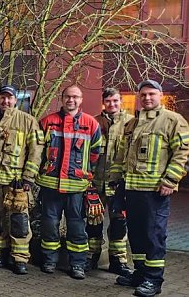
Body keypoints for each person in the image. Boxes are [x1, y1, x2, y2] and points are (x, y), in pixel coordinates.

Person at [110, 80, 189, 297]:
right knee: (136, 233)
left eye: (151, 94)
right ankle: (141, 273)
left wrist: (170, 181)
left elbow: (182, 153)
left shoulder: (173, 121)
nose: (147, 98)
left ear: (160, 95)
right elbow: (122, 156)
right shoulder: (132, 124)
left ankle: (154, 280)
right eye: (143, 94)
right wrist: (116, 180)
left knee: (154, 235)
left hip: (155, 191)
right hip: (131, 189)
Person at [0, 85, 41, 275]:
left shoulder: (28, 121)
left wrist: (28, 178)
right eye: (2, 97)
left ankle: (19, 259)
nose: (6, 101)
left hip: (16, 183)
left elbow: (35, 153)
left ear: (16, 100)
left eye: (9, 98)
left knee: (19, 221)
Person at [37, 85, 102, 279]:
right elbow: (37, 153)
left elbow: (95, 154)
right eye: (67, 97)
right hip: (50, 185)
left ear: (80, 100)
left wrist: (81, 172)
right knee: (49, 225)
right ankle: (49, 260)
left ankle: (77, 265)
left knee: (76, 227)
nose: (70, 100)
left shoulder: (91, 124)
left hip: (76, 187)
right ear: (62, 98)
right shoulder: (48, 122)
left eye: (75, 97)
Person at [88, 88, 133, 275]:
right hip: (97, 182)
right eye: (108, 101)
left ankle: (118, 261)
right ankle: (92, 257)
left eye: (115, 101)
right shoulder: (94, 122)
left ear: (121, 101)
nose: (112, 104)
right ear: (103, 103)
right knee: (93, 221)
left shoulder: (131, 123)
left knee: (119, 224)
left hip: (118, 183)